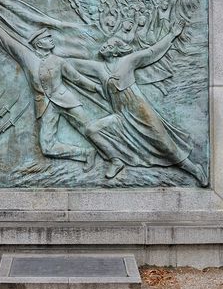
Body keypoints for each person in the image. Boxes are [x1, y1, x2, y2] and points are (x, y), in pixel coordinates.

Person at [70, 20, 208, 186]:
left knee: (165, 145)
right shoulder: (99, 68)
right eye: (105, 44)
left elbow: (151, 52)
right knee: (92, 130)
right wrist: (51, 58)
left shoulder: (129, 61)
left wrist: (172, 34)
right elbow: (74, 64)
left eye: (109, 45)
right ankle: (116, 160)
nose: (105, 46)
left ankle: (194, 170)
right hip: (121, 116)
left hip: (141, 112)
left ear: (116, 51)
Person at [0, 9, 101, 168]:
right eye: (47, 38)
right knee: (47, 147)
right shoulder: (27, 57)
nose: (51, 39)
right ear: (39, 43)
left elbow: (76, 78)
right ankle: (85, 153)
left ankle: (115, 157)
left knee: (90, 129)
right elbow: (7, 41)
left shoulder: (58, 61)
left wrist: (96, 87)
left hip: (66, 100)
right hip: (45, 107)